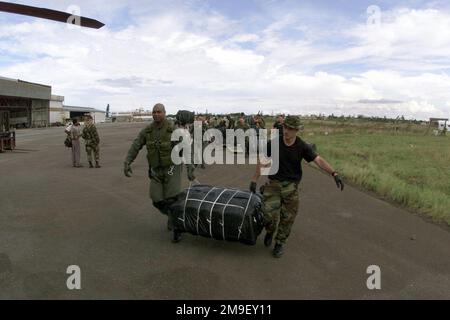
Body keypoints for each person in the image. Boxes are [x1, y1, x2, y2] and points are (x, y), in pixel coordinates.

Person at [249, 115, 344, 258]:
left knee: (288, 218)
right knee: (268, 217)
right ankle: (270, 231)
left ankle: (279, 243)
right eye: (285, 127)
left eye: (290, 129)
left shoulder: (302, 146)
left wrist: (334, 173)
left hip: (291, 187)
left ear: (296, 130)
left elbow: (318, 160)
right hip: (273, 185)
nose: (286, 131)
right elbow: (262, 161)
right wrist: (254, 180)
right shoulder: (273, 143)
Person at [123, 103, 196, 242]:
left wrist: (189, 167)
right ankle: (172, 215)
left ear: (164, 112)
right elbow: (136, 145)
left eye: (159, 112)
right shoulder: (148, 131)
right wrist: (127, 162)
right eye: (154, 112)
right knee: (156, 199)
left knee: (172, 199)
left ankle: (177, 228)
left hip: (171, 168)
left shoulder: (173, 130)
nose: (156, 114)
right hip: (156, 170)